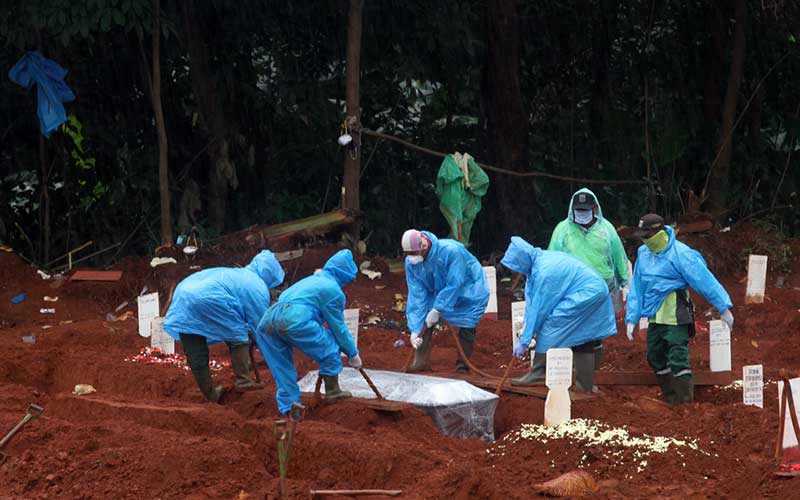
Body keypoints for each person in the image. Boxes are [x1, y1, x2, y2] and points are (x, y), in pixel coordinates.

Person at [625, 214, 734, 404]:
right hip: (655, 316)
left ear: (659, 232)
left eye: (648, 235)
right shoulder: (643, 253)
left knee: (677, 356)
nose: (645, 240)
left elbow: (704, 280)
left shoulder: (680, 254)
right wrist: (631, 318)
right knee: (655, 355)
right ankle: (671, 398)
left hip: (676, 314)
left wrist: (723, 306)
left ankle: (685, 401)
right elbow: (638, 287)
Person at [164, 250, 285, 403]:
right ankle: (243, 380)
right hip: (210, 296)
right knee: (238, 335)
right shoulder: (257, 285)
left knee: (194, 341)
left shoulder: (236, 273)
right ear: (270, 274)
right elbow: (260, 326)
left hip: (183, 293)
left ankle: (210, 394)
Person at [501, 237, 617, 392]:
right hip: (592, 290)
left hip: (587, 293)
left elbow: (540, 309)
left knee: (552, 324)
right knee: (582, 336)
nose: (515, 270)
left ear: (522, 260)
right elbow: (533, 303)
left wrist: (525, 340)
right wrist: (526, 334)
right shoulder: (538, 263)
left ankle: (539, 372)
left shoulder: (543, 271)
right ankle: (585, 387)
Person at [254, 249, 361, 416]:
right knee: (330, 345)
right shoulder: (333, 290)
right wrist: (352, 353)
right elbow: (338, 327)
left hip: (267, 320)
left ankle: (291, 409)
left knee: (281, 367)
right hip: (294, 319)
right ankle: (333, 391)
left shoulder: (311, 280)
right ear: (345, 274)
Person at [546, 188, 629, 387]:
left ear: (595, 208)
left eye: (586, 209)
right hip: (571, 291)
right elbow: (552, 258)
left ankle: (591, 376)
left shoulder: (606, 230)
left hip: (601, 291)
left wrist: (625, 282)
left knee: (596, 333)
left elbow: (619, 256)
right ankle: (575, 375)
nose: (582, 213)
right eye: (578, 209)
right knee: (573, 332)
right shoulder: (562, 230)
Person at [402, 229, 489, 372]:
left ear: (424, 246)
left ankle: (463, 364)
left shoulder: (451, 251)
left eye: (414, 253)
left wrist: (437, 309)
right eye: (409, 254)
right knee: (424, 318)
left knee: (468, 321)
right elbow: (416, 293)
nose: (412, 258)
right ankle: (421, 362)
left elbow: (455, 283)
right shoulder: (412, 263)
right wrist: (414, 329)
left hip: (468, 289)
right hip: (438, 290)